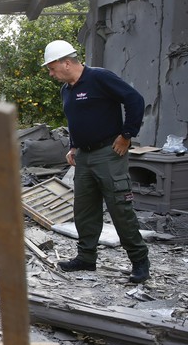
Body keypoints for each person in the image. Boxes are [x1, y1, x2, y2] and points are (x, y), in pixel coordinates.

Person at [42, 40, 150, 283]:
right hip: (84, 157)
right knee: (85, 209)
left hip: (108, 153)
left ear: (66, 63)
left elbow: (135, 100)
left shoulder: (99, 78)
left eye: (52, 68)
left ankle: (139, 261)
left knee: (120, 208)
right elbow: (77, 120)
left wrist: (127, 135)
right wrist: (73, 145)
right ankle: (86, 258)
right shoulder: (66, 90)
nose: (51, 73)